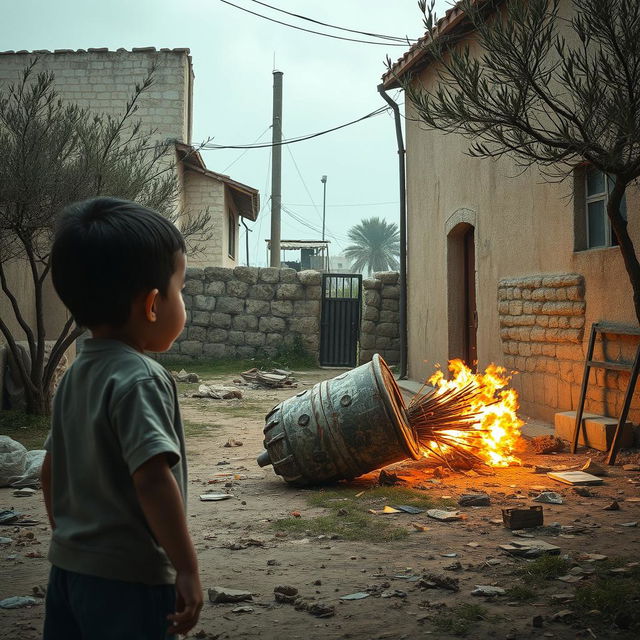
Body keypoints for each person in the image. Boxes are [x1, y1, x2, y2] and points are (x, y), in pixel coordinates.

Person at [41, 197, 202, 639]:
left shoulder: (75, 375)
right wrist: (186, 568)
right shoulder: (141, 380)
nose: (182, 303)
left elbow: (49, 471)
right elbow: (151, 479)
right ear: (152, 305)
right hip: (132, 581)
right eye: (180, 289)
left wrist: (74, 541)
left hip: (69, 572)